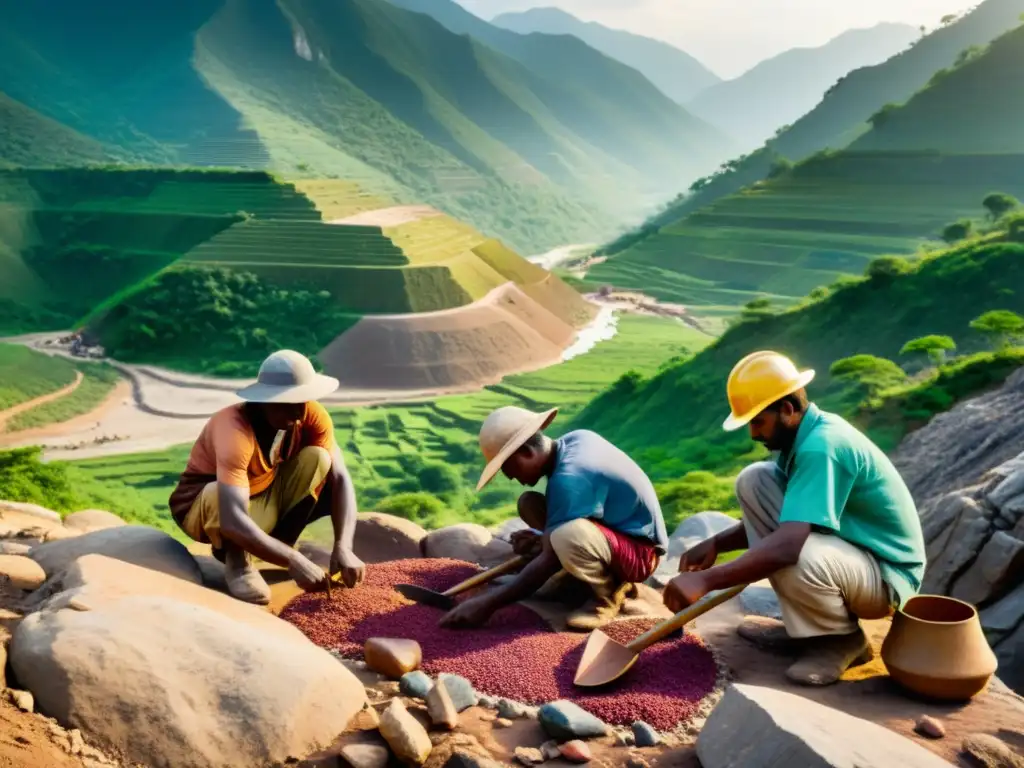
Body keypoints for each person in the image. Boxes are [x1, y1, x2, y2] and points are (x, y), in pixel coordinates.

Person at [665, 351, 926, 685]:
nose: (753, 434)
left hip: (886, 575)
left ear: (787, 409)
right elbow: (793, 515)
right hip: (853, 551)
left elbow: (787, 546)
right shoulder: (804, 438)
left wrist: (707, 579)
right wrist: (717, 542)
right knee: (754, 480)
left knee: (794, 553)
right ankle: (810, 631)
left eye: (758, 421)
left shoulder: (822, 447)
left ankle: (841, 639)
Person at [440, 405, 669, 631]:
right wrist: (541, 538)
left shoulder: (571, 479)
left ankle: (606, 596)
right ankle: (574, 576)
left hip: (640, 553)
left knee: (566, 535)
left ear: (528, 452)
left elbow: (551, 556)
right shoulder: (576, 439)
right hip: (611, 530)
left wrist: (487, 603)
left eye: (508, 468)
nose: (511, 477)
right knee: (529, 503)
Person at [168, 349, 365, 605]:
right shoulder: (234, 430)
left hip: (261, 496)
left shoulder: (311, 416)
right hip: (209, 509)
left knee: (319, 457)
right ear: (265, 401)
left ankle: (275, 545)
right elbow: (233, 519)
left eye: (301, 402)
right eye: (286, 404)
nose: (296, 414)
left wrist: (343, 546)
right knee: (219, 492)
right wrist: (294, 560)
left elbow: (340, 478)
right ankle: (238, 562)